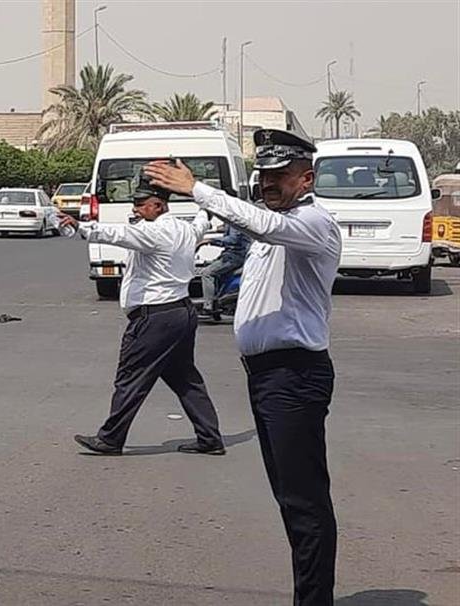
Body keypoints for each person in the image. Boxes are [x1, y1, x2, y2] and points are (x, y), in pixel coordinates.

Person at [144, 129, 342, 605]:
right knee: (290, 499)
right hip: (269, 376)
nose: (268, 182)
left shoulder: (313, 223)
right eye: (264, 175)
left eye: (280, 175)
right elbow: (257, 227)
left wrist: (196, 189)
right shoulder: (276, 223)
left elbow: (261, 224)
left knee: (304, 502)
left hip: (295, 375)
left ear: (306, 179)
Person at [59, 172, 224, 456]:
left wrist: (82, 226)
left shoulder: (154, 232)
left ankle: (110, 439)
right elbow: (201, 221)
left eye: (141, 204)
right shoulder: (185, 229)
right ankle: (210, 438)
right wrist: (202, 202)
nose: (135, 209)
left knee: (131, 377)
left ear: (158, 205)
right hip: (181, 312)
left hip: (155, 318)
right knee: (185, 379)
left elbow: (120, 234)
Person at [200, 221, 250, 316]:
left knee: (206, 273)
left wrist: (210, 240)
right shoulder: (231, 221)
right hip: (231, 254)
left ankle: (208, 306)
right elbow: (225, 229)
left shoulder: (234, 222)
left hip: (235, 256)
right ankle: (215, 302)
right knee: (210, 267)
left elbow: (233, 239)